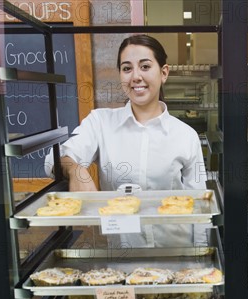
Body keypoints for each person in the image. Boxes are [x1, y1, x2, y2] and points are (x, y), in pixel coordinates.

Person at [45, 34, 208, 247]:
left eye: (145, 66)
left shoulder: (186, 136)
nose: (136, 77)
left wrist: (200, 261)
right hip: (122, 260)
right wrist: (75, 170)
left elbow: (201, 208)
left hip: (176, 256)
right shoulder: (100, 123)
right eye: (127, 68)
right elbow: (51, 161)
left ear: (164, 73)